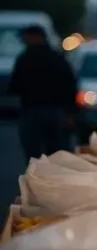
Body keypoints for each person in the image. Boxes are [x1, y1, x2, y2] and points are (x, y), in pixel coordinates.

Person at [8, 25, 78, 162]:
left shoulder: (24, 59)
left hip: (32, 110)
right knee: (56, 151)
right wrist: (70, 113)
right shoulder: (57, 58)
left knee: (33, 152)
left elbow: (14, 86)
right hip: (55, 111)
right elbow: (70, 86)